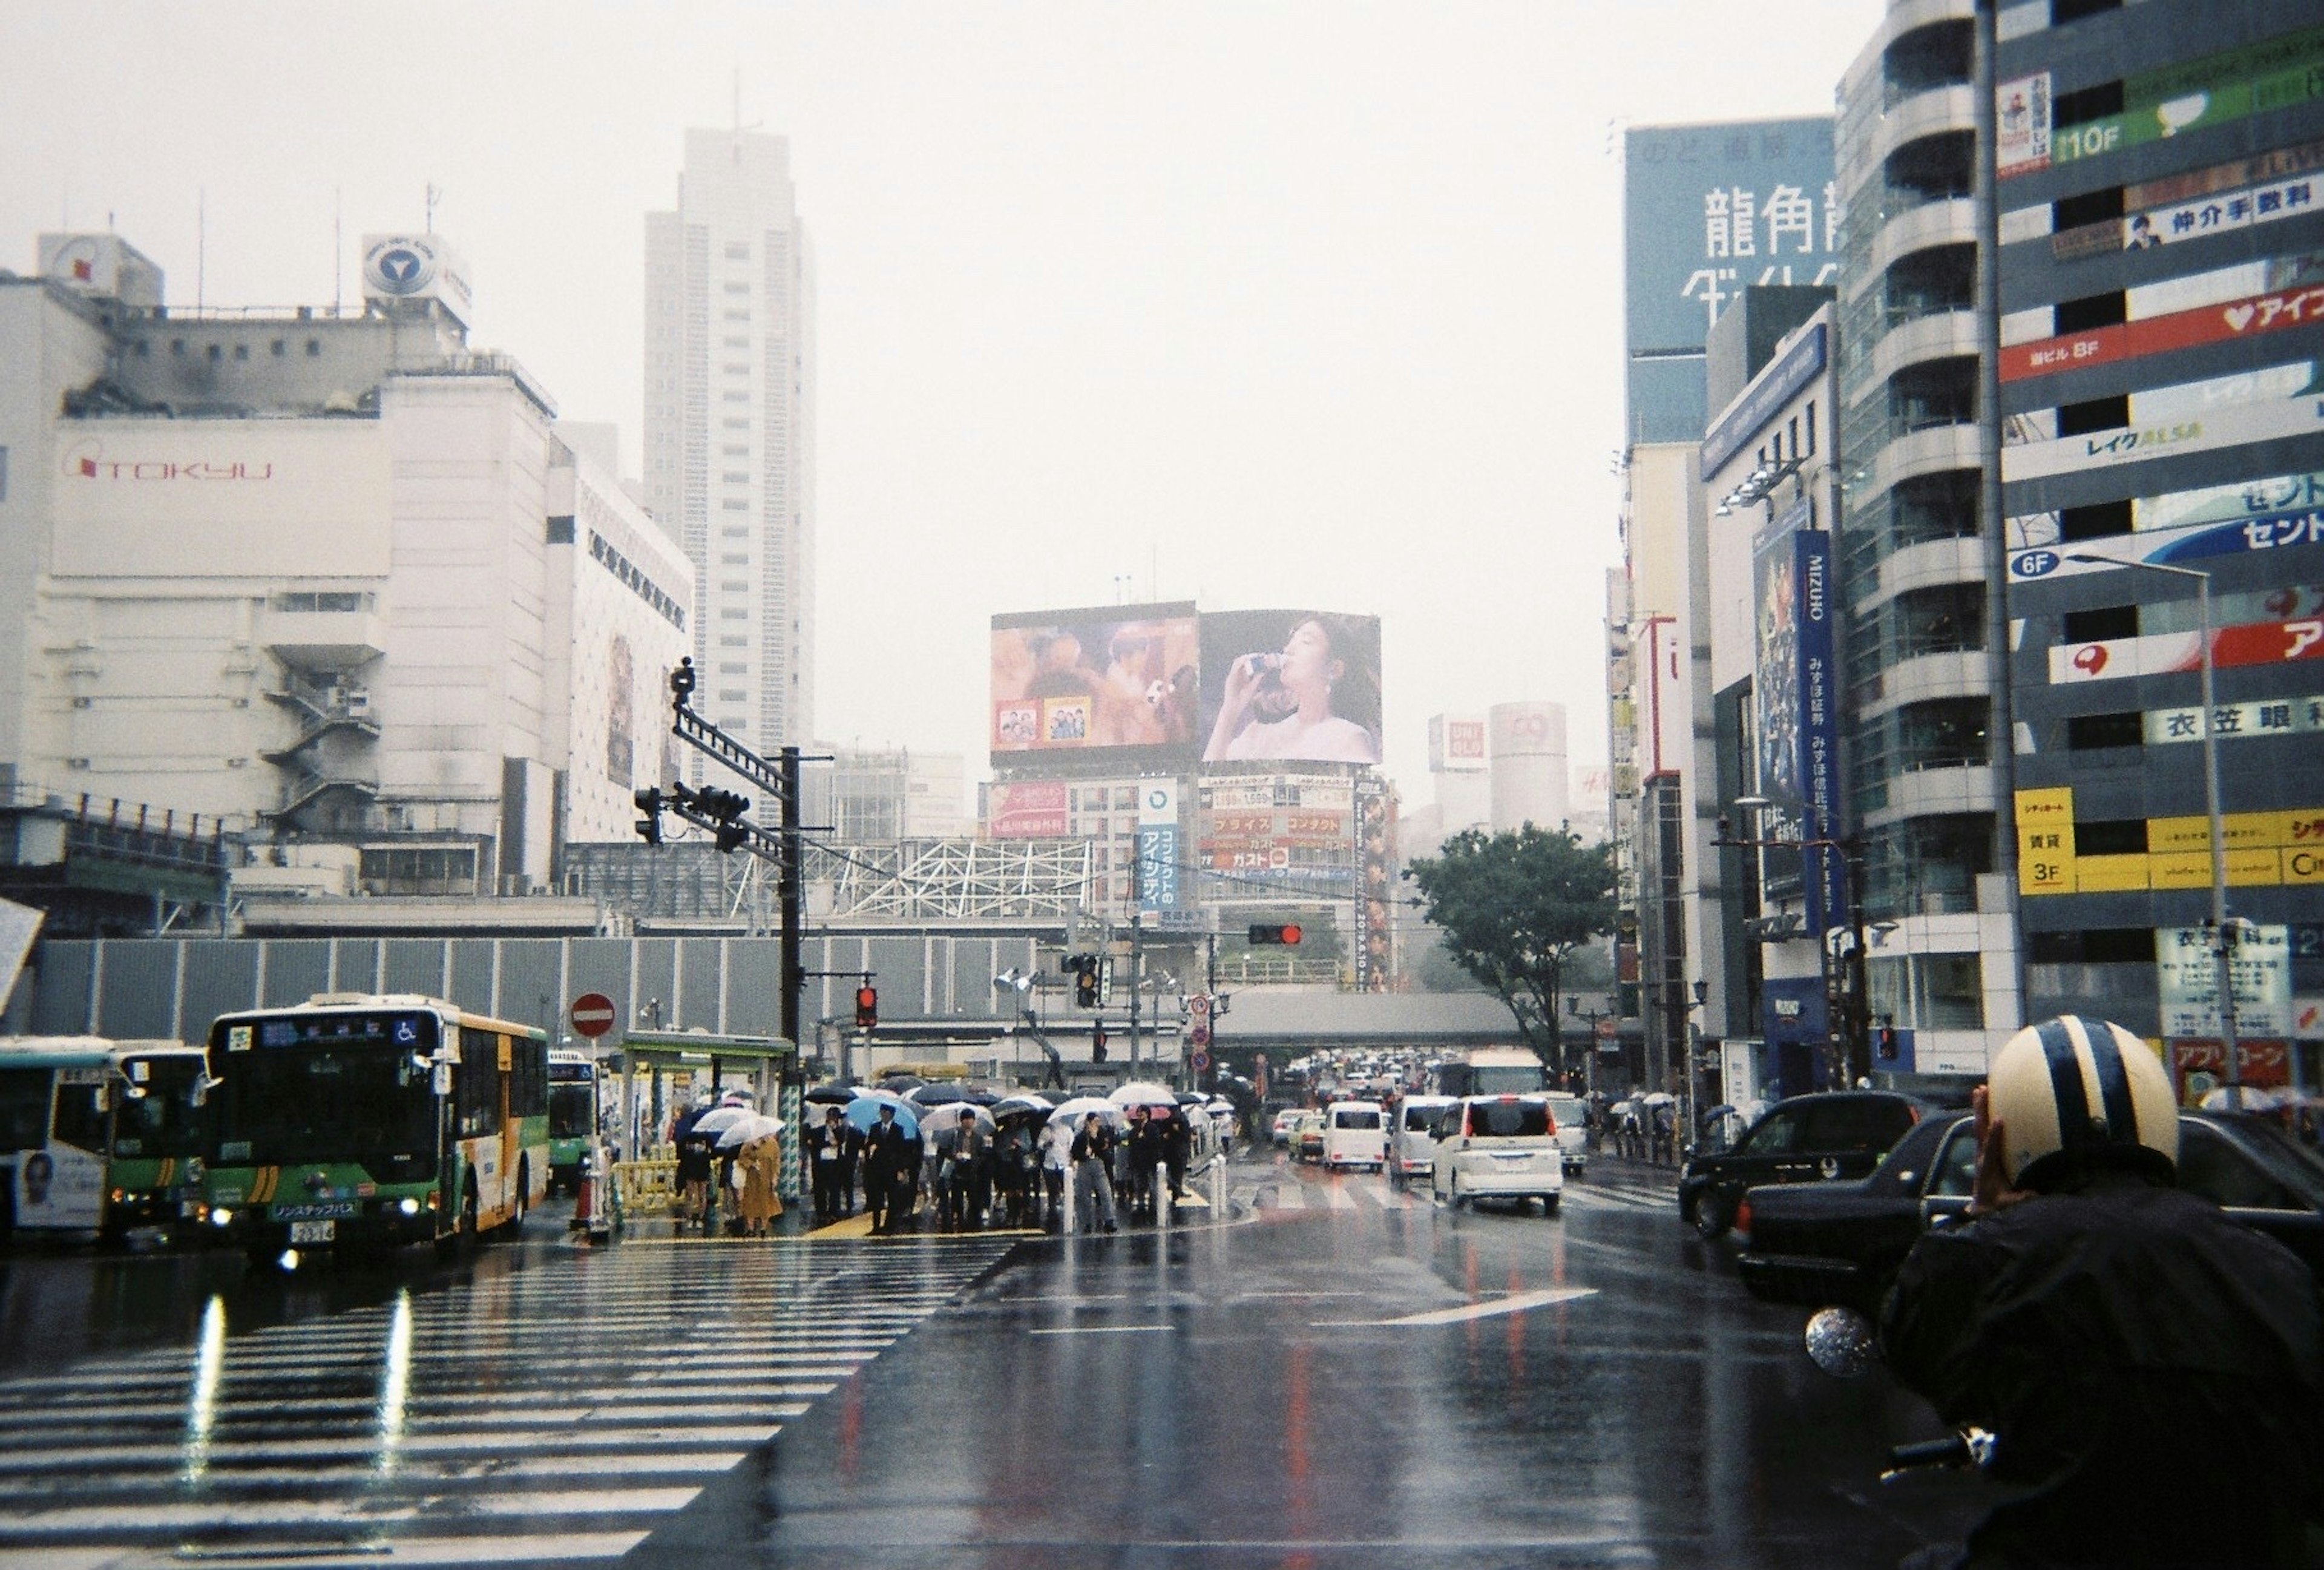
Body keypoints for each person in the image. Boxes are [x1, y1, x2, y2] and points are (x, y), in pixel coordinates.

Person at [1880, 1016, 2324, 1570]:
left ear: (2002, 1138)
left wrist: (1978, 1214)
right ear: (2160, 1122)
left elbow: (1911, 1348)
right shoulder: (2272, 1264)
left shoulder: (1990, 1255)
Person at [1203, 615, 1381, 764]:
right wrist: (1230, 709)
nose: (1288, 649)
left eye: (1306, 641)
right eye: (1290, 640)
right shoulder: (1259, 733)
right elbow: (1210, 787)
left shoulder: (1347, 738)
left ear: (1334, 669)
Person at [859, 1103, 915, 1235]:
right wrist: (869, 1148)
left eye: (885, 1112)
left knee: (892, 1198)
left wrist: (901, 1169)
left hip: (892, 1168)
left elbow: (902, 1151)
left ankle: (890, 1226)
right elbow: (868, 1146)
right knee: (877, 1199)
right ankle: (876, 1226)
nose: (883, 1115)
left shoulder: (898, 1129)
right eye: (881, 1112)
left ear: (891, 1114)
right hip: (877, 1169)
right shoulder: (874, 1128)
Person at [807, 1107, 858, 1223]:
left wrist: (835, 1129)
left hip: (835, 1163)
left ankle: (834, 1211)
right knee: (820, 1188)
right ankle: (821, 1211)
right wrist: (828, 1143)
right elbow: (814, 1144)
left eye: (834, 1117)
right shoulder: (819, 1131)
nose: (831, 1119)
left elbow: (841, 1140)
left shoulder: (841, 1130)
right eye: (829, 1116)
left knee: (835, 1188)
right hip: (821, 1162)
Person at [1071, 1112, 1118, 1233]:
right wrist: (1084, 1154)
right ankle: (1086, 1222)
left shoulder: (1101, 1132)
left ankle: (1109, 1220)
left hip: (1098, 1163)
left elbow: (1104, 1146)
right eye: (1095, 1121)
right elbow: (1074, 1152)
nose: (1097, 1124)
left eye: (1098, 1121)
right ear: (1088, 1122)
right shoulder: (1081, 1136)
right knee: (1084, 1195)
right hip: (1084, 1165)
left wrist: (1095, 1138)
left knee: (1105, 1192)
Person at [734, 1129, 783, 1238]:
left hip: (767, 1177)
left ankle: (763, 1228)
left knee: (765, 1202)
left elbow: (776, 1161)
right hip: (752, 1178)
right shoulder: (749, 1144)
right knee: (750, 1202)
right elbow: (742, 1159)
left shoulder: (773, 1144)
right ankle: (751, 1229)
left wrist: (775, 1177)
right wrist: (751, 1163)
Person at [1040, 1114, 1074, 1227]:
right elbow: (1040, 1145)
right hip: (1050, 1164)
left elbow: (1071, 1146)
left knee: (1066, 1187)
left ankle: (1069, 1208)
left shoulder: (1067, 1130)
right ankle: (1052, 1210)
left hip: (1063, 1163)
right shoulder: (1046, 1131)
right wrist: (1048, 1142)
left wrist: (1071, 1161)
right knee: (1052, 1189)